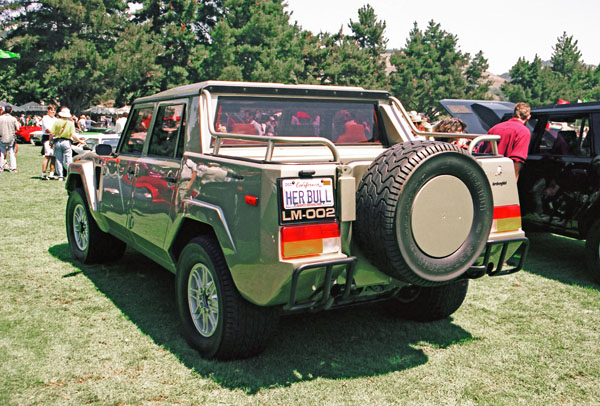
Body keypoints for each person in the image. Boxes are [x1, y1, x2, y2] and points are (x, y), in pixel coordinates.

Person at [486, 102, 531, 179]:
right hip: (502, 177)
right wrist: (513, 183)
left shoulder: (494, 128)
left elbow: (480, 151)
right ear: (528, 117)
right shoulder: (524, 132)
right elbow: (517, 160)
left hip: (486, 173)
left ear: (513, 115)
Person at [50, 106, 82, 181]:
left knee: (58, 159)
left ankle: (60, 176)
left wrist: (50, 142)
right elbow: (73, 135)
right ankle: (68, 175)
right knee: (68, 160)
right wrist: (79, 141)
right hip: (67, 142)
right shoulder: (70, 123)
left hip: (57, 141)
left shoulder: (57, 122)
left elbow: (51, 133)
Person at [0, 105, 20, 173]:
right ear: (11, 111)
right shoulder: (13, 119)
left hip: (2, 137)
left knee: (2, 153)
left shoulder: (0, 118)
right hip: (11, 138)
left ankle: (1, 167)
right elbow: (17, 128)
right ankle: (12, 168)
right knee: (11, 153)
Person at [40, 105, 57, 180]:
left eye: (54, 110)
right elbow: (47, 129)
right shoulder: (45, 118)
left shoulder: (55, 119)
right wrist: (52, 133)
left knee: (54, 157)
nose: (53, 112)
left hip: (55, 138)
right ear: (48, 110)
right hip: (47, 138)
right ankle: (43, 174)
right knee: (47, 156)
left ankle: (51, 174)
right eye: (51, 110)